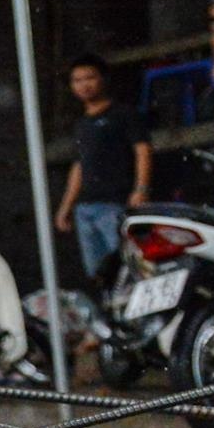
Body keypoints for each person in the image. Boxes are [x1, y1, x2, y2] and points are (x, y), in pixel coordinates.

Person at [54, 55, 151, 281]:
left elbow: (143, 151)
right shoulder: (81, 125)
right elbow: (79, 166)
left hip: (115, 204)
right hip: (85, 209)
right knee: (97, 273)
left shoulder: (123, 114)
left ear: (103, 79)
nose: (84, 85)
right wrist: (66, 206)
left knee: (127, 267)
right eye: (77, 80)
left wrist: (142, 188)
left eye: (89, 78)